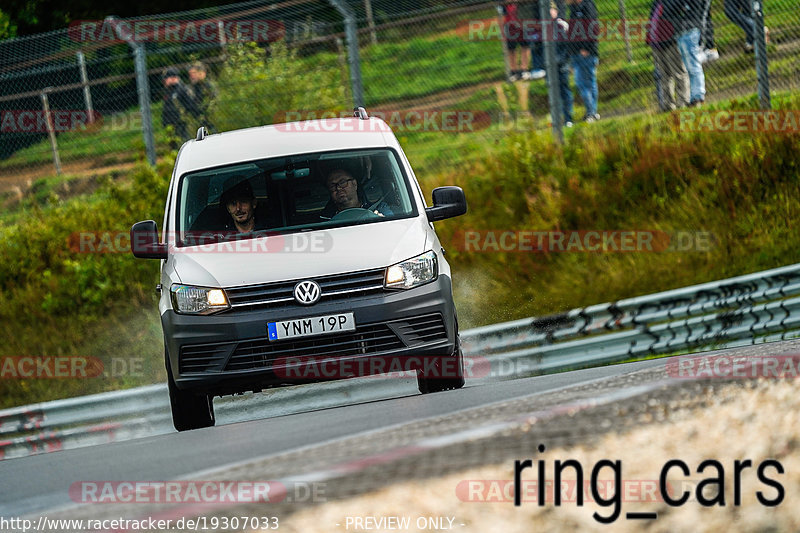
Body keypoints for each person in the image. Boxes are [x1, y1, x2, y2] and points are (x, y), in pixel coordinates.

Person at [664, 0, 711, 107]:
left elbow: (698, 9)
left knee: (693, 66)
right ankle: (694, 96)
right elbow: (670, 8)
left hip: (690, 29)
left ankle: (698, 97)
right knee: (689, 67)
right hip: (681, 30)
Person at [647, 0, 690, 111]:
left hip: (671, 41)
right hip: (657, 44)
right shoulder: (656, 3)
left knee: (678, 73)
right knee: (664, 76)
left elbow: (682, 10)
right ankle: (668, 105)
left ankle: (683, 101)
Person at [567, 0, 599, 122]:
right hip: (576, 52)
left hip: (586, 52)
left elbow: (592, 27)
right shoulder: (573, 8)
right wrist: (571, 52)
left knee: (585, 83)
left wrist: (586, 48)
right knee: (584, 83)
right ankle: (592, 112)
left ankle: (591, 113)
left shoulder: (588, 5)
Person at [324, 168, 393, 218]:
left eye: (342, 182)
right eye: (332, 186)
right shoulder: (325, 218)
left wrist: (381, 219)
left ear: (354, 184)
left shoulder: (379, 207)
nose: (338, 188)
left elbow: (392, 228)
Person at [161, 67, 201, 145]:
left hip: (181, 124)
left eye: (166, 78)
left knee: (184, 143)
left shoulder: (181, 89)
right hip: (171, 125)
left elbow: (190, 106)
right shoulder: (169, 90)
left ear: (173, 78)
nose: (164, 81)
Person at [501, 2, 531, 81]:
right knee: (511, 48)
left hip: (521, 21)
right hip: (509, 24)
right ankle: (513, 71)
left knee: (524, 45)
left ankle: (524, 69)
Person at [188, 61, 217, 130]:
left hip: (211, 119)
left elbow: (213, 102)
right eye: (190, 74)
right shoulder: (192, 88)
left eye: (194, 73)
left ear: (202, 73)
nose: (191, 76)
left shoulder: (209, 86)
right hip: (198, 121)